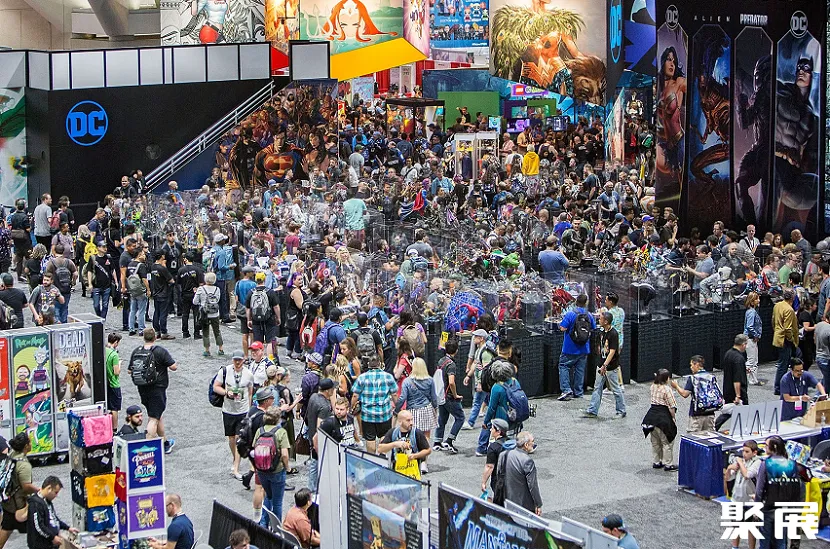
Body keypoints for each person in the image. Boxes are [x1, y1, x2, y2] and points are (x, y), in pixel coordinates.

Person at [128, 328, 178, 454]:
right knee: (153, 419)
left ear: (143, 337)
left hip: (142, 388)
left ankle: (165, 443)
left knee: (156, 415)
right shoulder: (160, 351)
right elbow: (174, 367)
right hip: (157, 388)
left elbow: (130, 370)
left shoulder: (137, 351)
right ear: (155, 337)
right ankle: (146, 449)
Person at [755, 435, 804, 548]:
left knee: (765, 541)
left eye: (766, 445)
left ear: (774, 447)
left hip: (768, 507)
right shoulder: (792, 464)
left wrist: (757, 506)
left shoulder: (766, 464)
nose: (764, 447)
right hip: (784, 508)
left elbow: (759, 489)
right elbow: (796, 488)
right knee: (781, 541)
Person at [213, 350, 255, 480]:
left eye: (240, 360)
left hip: (242, 410)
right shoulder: (224, 371)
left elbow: (250, 392)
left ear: (243, 360)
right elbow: (216, 387)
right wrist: (226, 392)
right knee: (231, 438)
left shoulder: (248, 374)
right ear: (232, 360)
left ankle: (236, 469)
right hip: (228, 410)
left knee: (238, 438)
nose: (237, 362)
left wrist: (249, 409)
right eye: (235, 360)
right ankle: (235, 459)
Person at [394, 358, 437, 473]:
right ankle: (424, 462)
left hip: (412, 412)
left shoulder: (407, 381)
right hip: (426, 409)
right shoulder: (430, 380)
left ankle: (412, 460)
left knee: (412, 436)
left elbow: (402, 397)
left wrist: (397, 410)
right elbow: (434, 397)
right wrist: (435, 408)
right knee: (426, 437)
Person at [351, 357, 398, 455]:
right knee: (384, 435)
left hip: (367, 415)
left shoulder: (362, 377)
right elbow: (394, 394)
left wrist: (351, 406)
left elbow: (355, 395)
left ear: (368, 365)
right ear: (380, 364)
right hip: (384, 414)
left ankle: (372, 458)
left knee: (370, 438)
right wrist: (397, 407)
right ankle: (382, 456)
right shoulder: (388, 376)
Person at [253, 405, 291, 522]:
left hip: (261, 470)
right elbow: (284, 455)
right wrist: (287, 467)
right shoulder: (281, 432)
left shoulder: (260, 431)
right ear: (278, 419)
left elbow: (254, 448)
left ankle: (264, 524)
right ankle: (277, 527)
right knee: (277, 502)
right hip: (277, 470)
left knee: (268, 497)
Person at [584, 311, 626, 418]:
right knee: (597, 387)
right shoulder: (601, 332)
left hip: (610, 366)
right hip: (601, 364)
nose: (599, 320)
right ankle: (593, 410)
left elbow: (612, 352)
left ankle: (621, 410)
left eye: (601, 318)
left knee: (615, 388)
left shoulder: (613, 334)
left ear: (606, 321)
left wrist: (605, 365)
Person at [0, 433, 37, 548]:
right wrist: (39, 490)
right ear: (26, 446)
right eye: (30, 442)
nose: (31, 444)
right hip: (19, 504)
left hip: (7, 499)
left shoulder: (11, 454)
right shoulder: (24, 464)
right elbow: (26, 486)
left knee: (6, 528)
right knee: (38, 527)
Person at [558, 294, 595, 400]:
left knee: (563, 366)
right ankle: (578, 392)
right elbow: (593, 327)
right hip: (584, 348)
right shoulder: (589, 315)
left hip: (569, 348)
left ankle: (566, 390)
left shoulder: (570, 314)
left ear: (576, 302)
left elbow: (562, 328)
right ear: (586, 303)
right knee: (580, 370)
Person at [724, 441, 761, 549]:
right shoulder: (740, 462)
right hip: (737, 499)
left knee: (751, 527)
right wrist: (730, 468)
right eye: (743, 451)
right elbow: (728, 478)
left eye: (747, 451)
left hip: (750, 500)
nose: (744, 454)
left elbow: (747, 475)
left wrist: (740, 463)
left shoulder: (757, 463)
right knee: (736, 525)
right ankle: (735, 547)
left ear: (754, 452)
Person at [26, 476, 77, 549]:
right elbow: (38, 526)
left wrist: (68, 528)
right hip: (40, 545)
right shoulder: (35, 503)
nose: (56, 496)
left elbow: (54, 518)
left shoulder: (47, 502)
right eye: (55, 492)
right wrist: (52, 537)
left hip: (50, 544)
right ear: (49, 488)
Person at [433, 338, 465, 454]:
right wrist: (455, 395)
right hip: (449, 397)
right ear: (456, 350)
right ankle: (449, 441)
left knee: (442, 418)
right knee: (460, 417)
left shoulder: (441, 361)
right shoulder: (451, 365)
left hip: (441, 395)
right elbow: (451, 382)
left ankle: (437, 441)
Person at [642, 369, 677, 471]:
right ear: (667, 378)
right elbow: (672, 406)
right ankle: (668, 464)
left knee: (655, 442)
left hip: (651, 418)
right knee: (667, 442)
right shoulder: (667, 389)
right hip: (663, 418)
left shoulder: (653, 386)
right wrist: (673, 418)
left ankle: (657, 462)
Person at [671, 355, 717, 432]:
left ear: (697, 365)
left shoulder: (693, 378)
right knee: (709, 436)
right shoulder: (711, 377)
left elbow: (685, 394)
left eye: (691, 365)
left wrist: (676, 386)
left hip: (697, 414)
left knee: (693, 436)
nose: (691, 367)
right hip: (710, 412)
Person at [500, 431, 542, 515]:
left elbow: (499, 477)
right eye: (532, 441)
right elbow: (532, 486)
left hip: (507, 500)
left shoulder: (503, 455)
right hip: (524, 505)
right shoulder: (527, 461)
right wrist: (538, 504)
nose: (533, 444)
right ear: (526, 445)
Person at [377, 409, 432, 474]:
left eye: (412, 419)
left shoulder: (417, 433)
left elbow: (428, 450)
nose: (411, 423)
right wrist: (395, 444)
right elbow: (380, 449)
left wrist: (415, 455)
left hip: (413, 470)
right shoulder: (393, 432)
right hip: (396, 469)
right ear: (400, 422)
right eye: (408, 420)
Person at [305, 377, 335, 491]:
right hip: (318, 439)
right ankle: (313, 488)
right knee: (317, 462)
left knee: (314, 462)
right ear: (327, 390)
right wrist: (318, 443)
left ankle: (313, 486)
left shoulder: (313, 397)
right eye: (332, 388)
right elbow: (320, 427)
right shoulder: (325, 406)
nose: (334, 390)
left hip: (311, 433)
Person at [246, 272, 281, 357]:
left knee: (258, 342)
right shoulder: (270, 292)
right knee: (270, 341)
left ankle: (258, 359)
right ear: (264, 279)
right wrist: (278, 318)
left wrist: (249, 319)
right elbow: (276, 307)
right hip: (269, 319)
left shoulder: (251, 292)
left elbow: (248, 308)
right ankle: (271, 359)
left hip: (256, 320)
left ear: (256, 280)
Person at [464, 329, 493, 429]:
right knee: (490, 401)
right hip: (484, 383)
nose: (474, 339)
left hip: (484, 383)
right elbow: (475, 364)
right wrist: (468, 376)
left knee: (477, 402)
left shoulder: (485, 352)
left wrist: (481, 383)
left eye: (476, 337)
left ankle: (471, 422)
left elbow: (486, 369)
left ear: (481, 339)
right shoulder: (479, 351)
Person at [773, 289, 799, 395]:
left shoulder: (777, 306)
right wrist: (792, 340)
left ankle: (779, 386)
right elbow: (788, 328)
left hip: (778, 337)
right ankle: (779, 388)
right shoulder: (789, 309)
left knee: (782, 364)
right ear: (793, 298)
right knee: (783, 365)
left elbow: (773, 320)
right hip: (785, 340)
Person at [194, 272, 225, 357]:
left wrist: (201, 302)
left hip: (205, 313)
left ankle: (207, 350)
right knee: (217, 331)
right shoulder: (217, 289)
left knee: (205, 332)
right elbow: (217, 300)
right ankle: (221, 348)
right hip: (215, 313)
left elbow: (195, 301)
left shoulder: (201, 289)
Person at [44, 245, 77, 323]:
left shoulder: (51, 263)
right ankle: (64, 324)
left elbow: (47, 275)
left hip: (55, 289)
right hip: (66, 289)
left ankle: (58, 325)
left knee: (56, 308)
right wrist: (73, 282)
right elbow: (75, 273)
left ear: (54, 251)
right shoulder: (69, 262)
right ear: (63, 251)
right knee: (65, 308)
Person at [481, 418, 512, 500]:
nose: (490, 430)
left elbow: (489, 467)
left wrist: (484, 482)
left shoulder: (493, 447)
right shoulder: (512, 443)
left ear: (498, 431)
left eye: (492, 428)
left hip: (499, 481)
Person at [177, 253, 204, 340]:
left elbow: (178, 283)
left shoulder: (181, 270)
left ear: (186, 259)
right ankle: (196, 333)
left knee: (185, 313)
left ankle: (185, 332)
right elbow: (201, 283)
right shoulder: (198, 270)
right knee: (196, 313)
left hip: (185, 294)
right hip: (195, 294)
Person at [150, 250, 176, 340]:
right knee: (163, 313)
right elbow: (171, 280)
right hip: (163, 293)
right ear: (162, 256)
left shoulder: (153, 266)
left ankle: (157, 331)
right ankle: (164, 332)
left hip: (155, 292)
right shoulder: (162, 268)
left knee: (156, 312)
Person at [87, 241, 116, 319]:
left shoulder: (108, 257)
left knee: (105, 305)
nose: (105, 248)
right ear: (98, 248)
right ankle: (99, 317)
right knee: (96, 305)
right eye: (103, 247)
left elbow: (113, 270)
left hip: (107, 285)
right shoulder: (93, 258)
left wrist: (116, 281)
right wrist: (90, 283)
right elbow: (89, 271)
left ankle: (102, 320)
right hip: (96, 285)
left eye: (105, 247)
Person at [126, 248, 150, 335]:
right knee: (142, 310)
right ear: (139, 255)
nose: (144, 256)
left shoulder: (130, 264)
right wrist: (148, 289)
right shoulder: (141, 265)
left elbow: (127, 276)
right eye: (143, 254)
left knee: (132, 310)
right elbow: (144, 279)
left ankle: (131, 328)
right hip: (140, 290)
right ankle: (141, 329)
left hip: (132, 290)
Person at [723, 334, 750, 406]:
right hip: (737, 394)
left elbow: (730, 370)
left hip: (727, 391)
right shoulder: (739, 358)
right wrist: (738, 396)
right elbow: (737, 379)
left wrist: (743, 369)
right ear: (743, 344)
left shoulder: (728, 353)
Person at [743, 292, 763, 385]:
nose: (758, 300)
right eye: (756, 299)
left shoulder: (752, 311)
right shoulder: (751, 312)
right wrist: (756, 335)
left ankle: (753, 379)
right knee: (751, 360)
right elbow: (749, 326)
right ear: (751, 301)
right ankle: (745, 378)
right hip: (750, 339)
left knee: (754, 360)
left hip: (751, 338)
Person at [105, 332, 123, 426]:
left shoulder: (104, 350)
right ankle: (114, 428)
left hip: (106, 383)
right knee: (114, 409)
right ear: (116, 342)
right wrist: (119, 364)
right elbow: (116, 372)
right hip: (113, 383)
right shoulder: (114, 355)